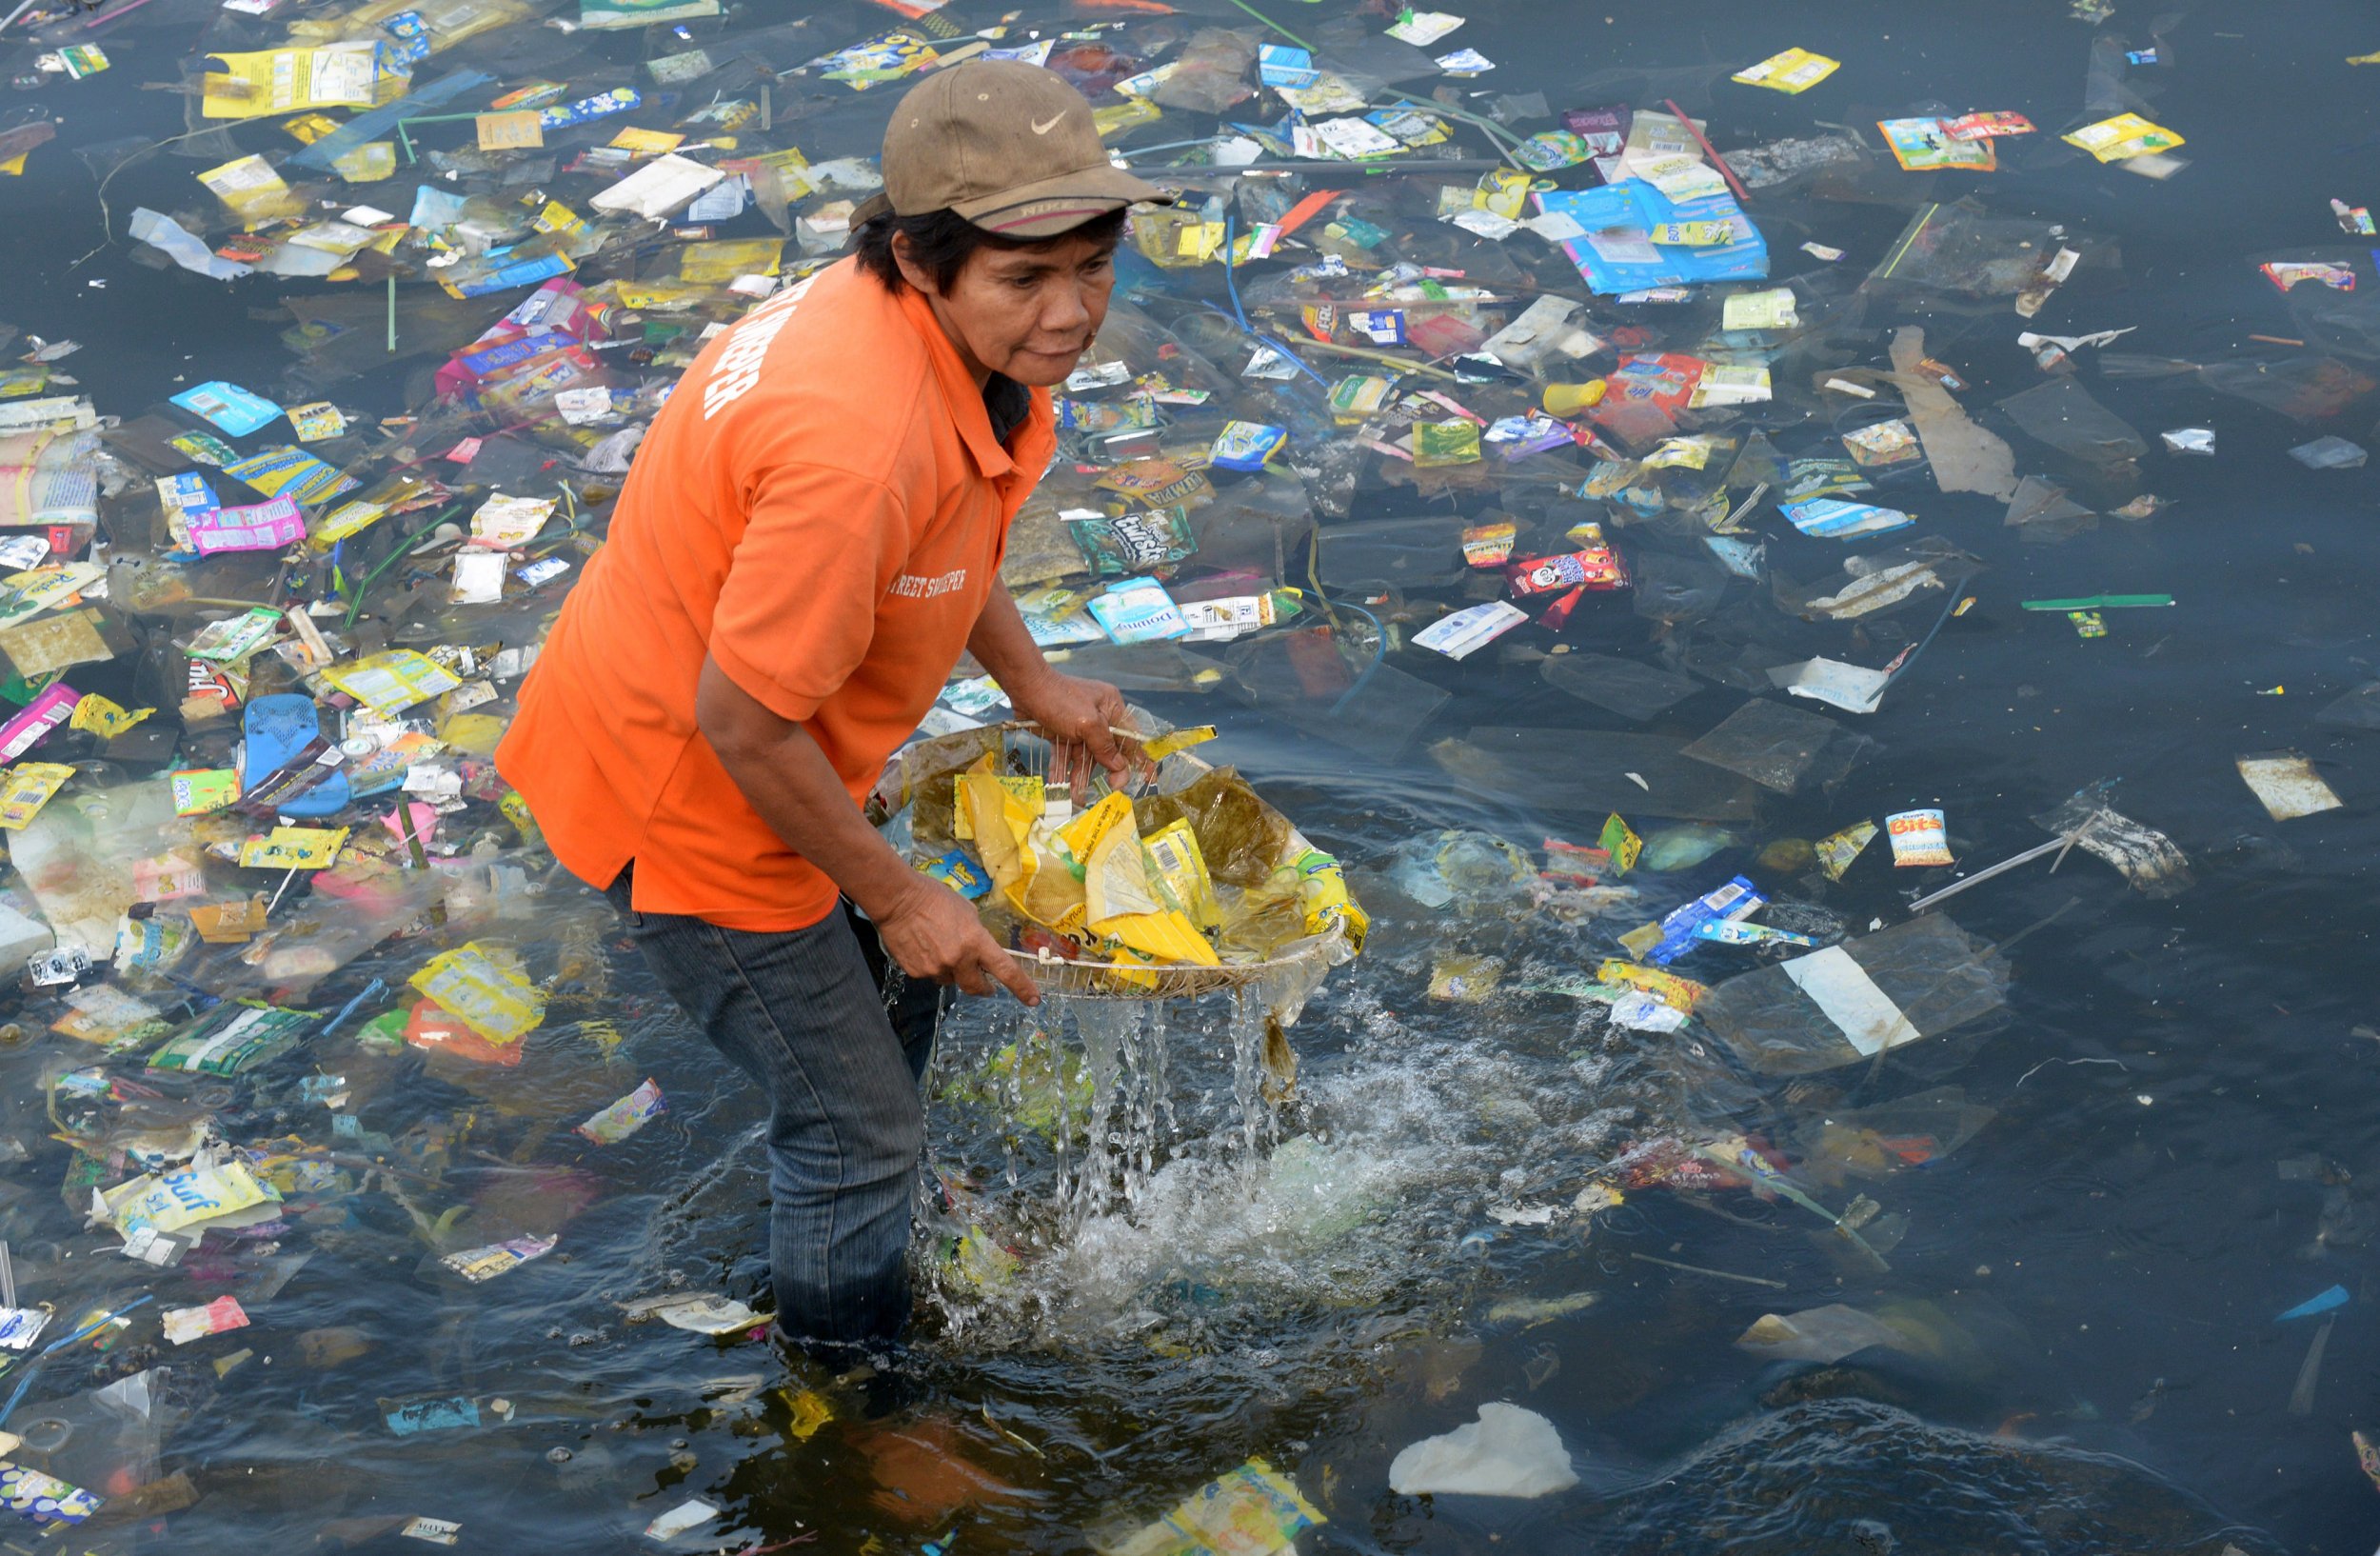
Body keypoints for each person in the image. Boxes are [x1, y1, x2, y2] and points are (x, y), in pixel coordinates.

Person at [495, 61, 1174, 1350]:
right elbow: (742, 725)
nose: (1071, 313)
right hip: (693, 794)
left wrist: (1030, 683)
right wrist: (901, 891)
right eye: (1026, 280)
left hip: (722, 712)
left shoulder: (928, 341)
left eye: (1092, 265)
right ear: (923, 261)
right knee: (857, 1128)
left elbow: (950, 519)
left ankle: (869, 1194)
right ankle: (842, 1408)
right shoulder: (856, 445)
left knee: (898, 1007)